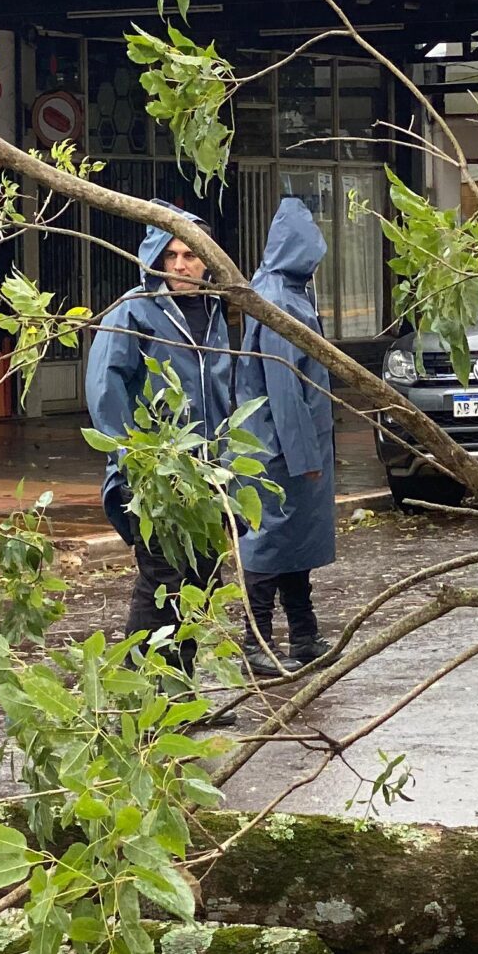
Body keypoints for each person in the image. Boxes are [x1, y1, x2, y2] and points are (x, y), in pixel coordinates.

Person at [86, 214, 231, 641]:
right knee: (162, 584)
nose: (180, 265)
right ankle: (141, 681)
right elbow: (104, 387)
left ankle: (181, 681)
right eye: (170, 256)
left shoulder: (214, 310)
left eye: (190, 255)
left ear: (208, 260)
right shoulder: (135, 309)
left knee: (202, 583)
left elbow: (221, 393)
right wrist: (133, 458)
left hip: (203, 479)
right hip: (154, 478)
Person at [235, 196, 336, 676]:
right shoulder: (277, 299)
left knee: (291, 541)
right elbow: (283, 387)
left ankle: (304, 634)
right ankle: (256, 640)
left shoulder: (284, 292)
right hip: (277, 449)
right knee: (268, 541)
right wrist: (304, 456)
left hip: (286, 447)